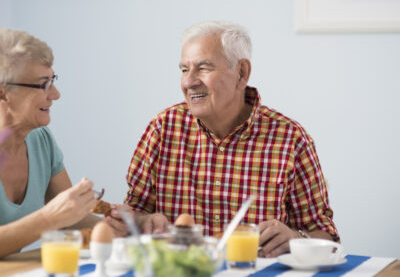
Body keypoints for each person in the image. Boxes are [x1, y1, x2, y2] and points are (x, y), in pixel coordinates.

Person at [108, 21, 339, 257]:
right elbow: (132, 215)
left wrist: (296, 238)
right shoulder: (163, 129)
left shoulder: (290, 140)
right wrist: (142, 221)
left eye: (203, 68)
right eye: (184, 69)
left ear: (241, 73)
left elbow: (326, 236)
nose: (189, 82)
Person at [0, 27, 100, 257]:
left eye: (52, 80)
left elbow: (70, 218)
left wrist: (127, 225)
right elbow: (55, 216)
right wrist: (48, 218)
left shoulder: (40, 139)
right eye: (43, 83)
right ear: (3, 93)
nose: (55, 94)